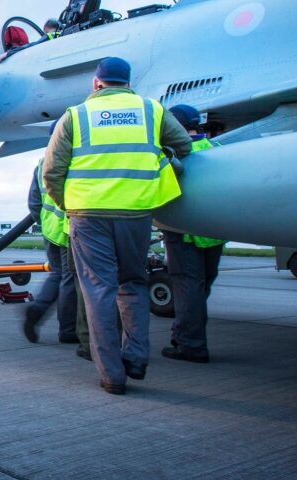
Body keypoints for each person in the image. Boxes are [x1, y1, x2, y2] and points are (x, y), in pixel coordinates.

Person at [43, 57, 192, 394]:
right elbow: (183, 145)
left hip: (88, 216)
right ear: (128, 82)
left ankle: (112, 375)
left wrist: (69, 206)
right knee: (134, 284)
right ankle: (136, 357)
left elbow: (52, 171)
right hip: (136, 213)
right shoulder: (151, 111)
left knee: (97, 292)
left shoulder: (76, 116)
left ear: (96, 84)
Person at [160, 104, 225, 364]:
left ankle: (190, 344)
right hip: (215, 232)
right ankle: (189, 334)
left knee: (188, 288)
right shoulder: (216, 149)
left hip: (184, 233)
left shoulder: (174, 155)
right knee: (202, 287)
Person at [23, 122, 78, 344]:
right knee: (69, 279)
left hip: (50, 229)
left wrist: (45, 225)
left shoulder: (42, 163)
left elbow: (34, 202)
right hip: (68, 227)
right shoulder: (74, 159)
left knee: (57, 274)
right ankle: (68, 330)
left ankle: (38, 308)